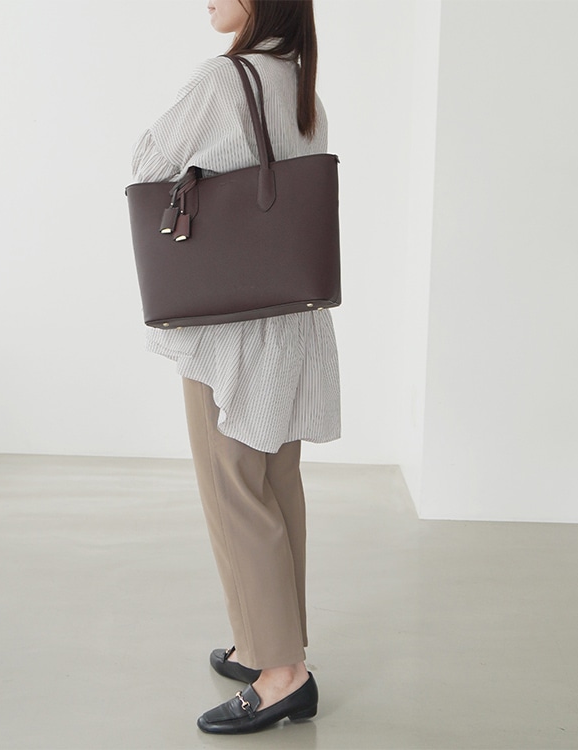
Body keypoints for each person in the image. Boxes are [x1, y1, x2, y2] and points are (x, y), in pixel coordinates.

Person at [130, 0, 340, 735]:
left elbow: (146, 164)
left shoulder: (227, 79)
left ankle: (282, 675)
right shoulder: (297, 80)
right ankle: (267, 645)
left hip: (230, 326)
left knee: (235, 493)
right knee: (275, 486)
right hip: (286, 317)